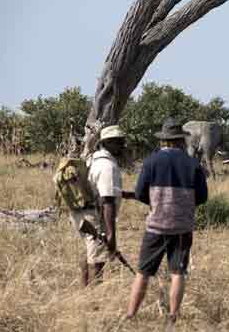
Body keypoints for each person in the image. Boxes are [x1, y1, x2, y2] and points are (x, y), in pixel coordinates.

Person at [126, 118, 208, 329]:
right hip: (182, 228)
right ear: (181, 141)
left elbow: (139, 193)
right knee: (178, 273)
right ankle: (173, 317)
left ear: (163, 140)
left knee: (143, 272)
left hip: (155, 226)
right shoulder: (193, 164)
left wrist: (156, 204)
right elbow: (202, 197)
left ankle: (130, 316)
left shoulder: (151, 162)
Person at [70, 125, 134, 287]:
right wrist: (111, 234)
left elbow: (101, 190)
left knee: (91, 254)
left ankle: (85, 292)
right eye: (119, 143)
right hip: (95, 217)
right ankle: (93, 299)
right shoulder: (108, 166)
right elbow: (107, 201)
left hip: (84, 215)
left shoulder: (95, 160)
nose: (122, 146)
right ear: (108, 143)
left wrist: (128, 194)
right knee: (97, 260)